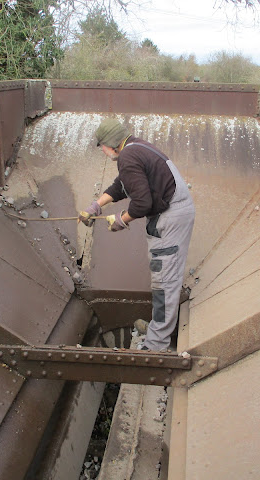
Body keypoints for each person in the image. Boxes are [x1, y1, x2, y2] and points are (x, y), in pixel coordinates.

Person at [79, 118, 195, 352]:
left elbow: (142, 204)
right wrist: (96, 206)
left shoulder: (127, 157)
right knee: (164, 278)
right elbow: (122, 185)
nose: (102, 150)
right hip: (173, 212)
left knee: (165, 282)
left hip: (170, 218)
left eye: (101, 145)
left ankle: (154, 347)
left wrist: (121, 220)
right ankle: (157, 330)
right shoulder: (136, 147)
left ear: (111, 144)